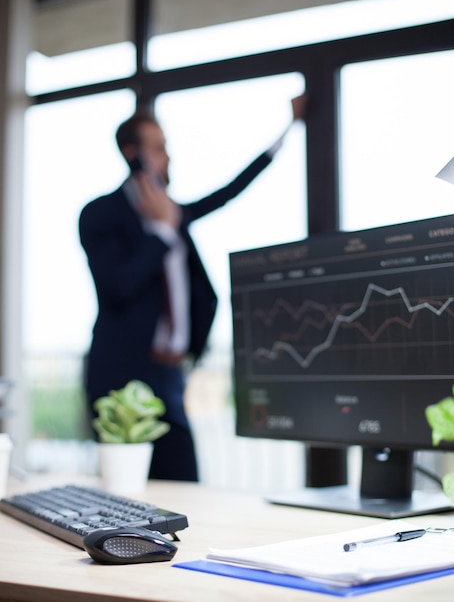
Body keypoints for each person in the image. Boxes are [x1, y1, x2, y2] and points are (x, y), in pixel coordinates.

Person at [79, 95, 307, 481]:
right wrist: (162, 231)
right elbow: (119, 287)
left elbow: (230, 190)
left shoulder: (175, 212)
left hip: (170, 373)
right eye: (159, 148)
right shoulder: (101, 214)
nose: (169, 156)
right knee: (125, 493)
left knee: (185, 485)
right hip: (120, 376)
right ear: (133, 154)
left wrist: (287, 130)